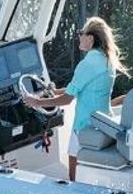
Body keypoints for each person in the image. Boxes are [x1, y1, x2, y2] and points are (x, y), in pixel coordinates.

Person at [22, 16, 125, 182]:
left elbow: (67, 99)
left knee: (73, 173)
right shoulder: (106, 60)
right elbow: (79, 88)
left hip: (84, 124)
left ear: (90, 38)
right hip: (103, 121)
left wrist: (37, 102)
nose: (79, 36)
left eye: (81, 33)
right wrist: (54, 92)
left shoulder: (88, 64)